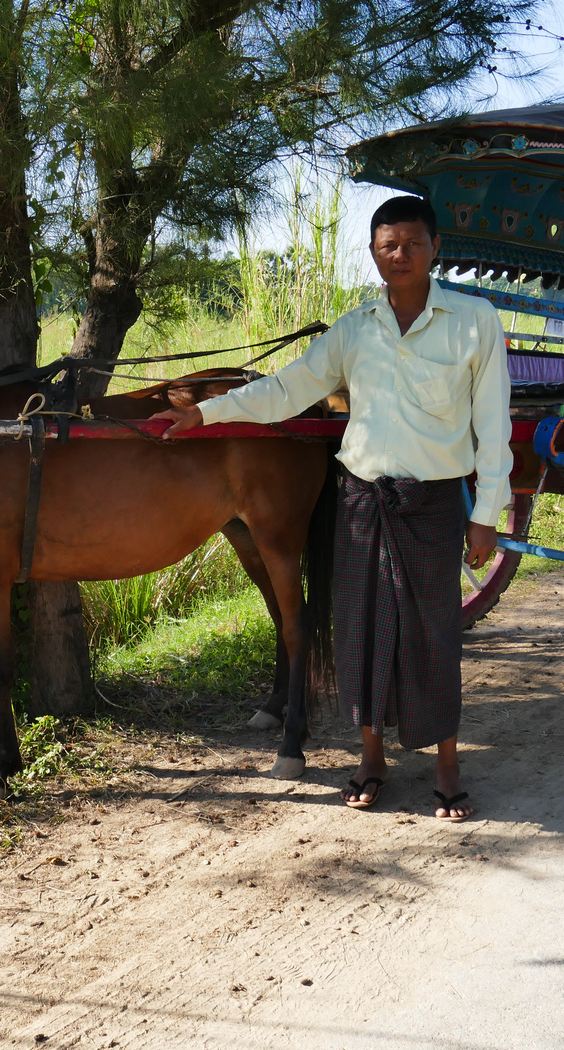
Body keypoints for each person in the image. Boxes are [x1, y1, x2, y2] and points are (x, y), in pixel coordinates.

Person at [155, 196, 511, 822]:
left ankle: (447, 766)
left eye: (411, 244)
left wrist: (487, 511)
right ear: (374, 254)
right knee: (357, 633)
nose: (399, 255)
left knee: (434, 636)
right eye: (386, 245)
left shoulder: (474, 320)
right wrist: (204, 414)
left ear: (435, 250)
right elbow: (286, 390)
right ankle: (371, 760)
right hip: (361, 499)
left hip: (431, 504)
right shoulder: (355, 328)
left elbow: (494, 424)